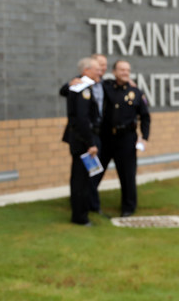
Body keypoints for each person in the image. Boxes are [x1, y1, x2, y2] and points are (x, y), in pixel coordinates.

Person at [99, 60, 150, 217]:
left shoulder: (136, 92)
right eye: (121, 70)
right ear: (114, 72)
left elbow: (145, 116)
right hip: (106, 138)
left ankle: (128, 208)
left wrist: (144, 137)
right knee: (95, 172)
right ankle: (89, 204)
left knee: (128, 175)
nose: (125, 73)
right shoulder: (105, 86)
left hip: (126, 139)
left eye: (127, 70)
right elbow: (92, 82)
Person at [62, 57, 103, 225]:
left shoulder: (81, 86)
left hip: (81, 139)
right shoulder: (83, 88)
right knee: (80, 180)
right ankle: (80, 217)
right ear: (86, 70)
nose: (99, 72)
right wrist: (90, 143)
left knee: (82, 179)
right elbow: (82, 118)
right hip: (82, 141)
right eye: (96, 69)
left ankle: (82, 213)